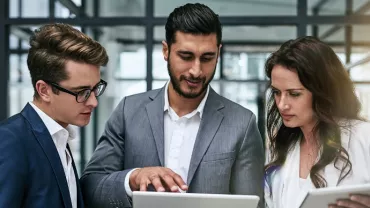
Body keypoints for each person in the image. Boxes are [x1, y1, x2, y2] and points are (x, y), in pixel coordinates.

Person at [80, 3, 264, 208]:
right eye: (186, 57)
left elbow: (252, 205)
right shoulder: (128, 111)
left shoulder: (242, 123)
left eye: (207, 58)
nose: (196, 70)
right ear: (166, 51)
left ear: (218, 53)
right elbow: (91, 188)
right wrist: (133, 178)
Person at [0, 23, 108, 208]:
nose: (93, 102)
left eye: (95, 89)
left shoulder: (59, 138)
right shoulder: (10, 141)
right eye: (81, 92)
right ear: (44, 90)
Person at [264, 36, 370, 208]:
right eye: (276, 92)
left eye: (294, 94)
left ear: (322, 91)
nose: (282, 104)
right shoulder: (282, 148)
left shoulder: (364, 138)